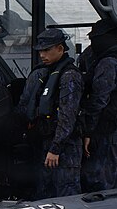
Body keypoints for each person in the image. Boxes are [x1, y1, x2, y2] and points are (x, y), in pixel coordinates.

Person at [19, 27, 84, 199]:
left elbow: (67, 116)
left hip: (65, 147)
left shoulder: (69, 76)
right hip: (47, 140)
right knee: (45, 191)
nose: (42, 55)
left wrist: (56, 148)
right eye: (40, 51)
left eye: (47, 50)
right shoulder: (45, 73)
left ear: (61, 49)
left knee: (66, 191)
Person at [79, 18, 117, 192]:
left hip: (108, 131)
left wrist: (87, 131)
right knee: (116, 176)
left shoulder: (108, 63)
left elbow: (99, 101)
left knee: (100, 180)